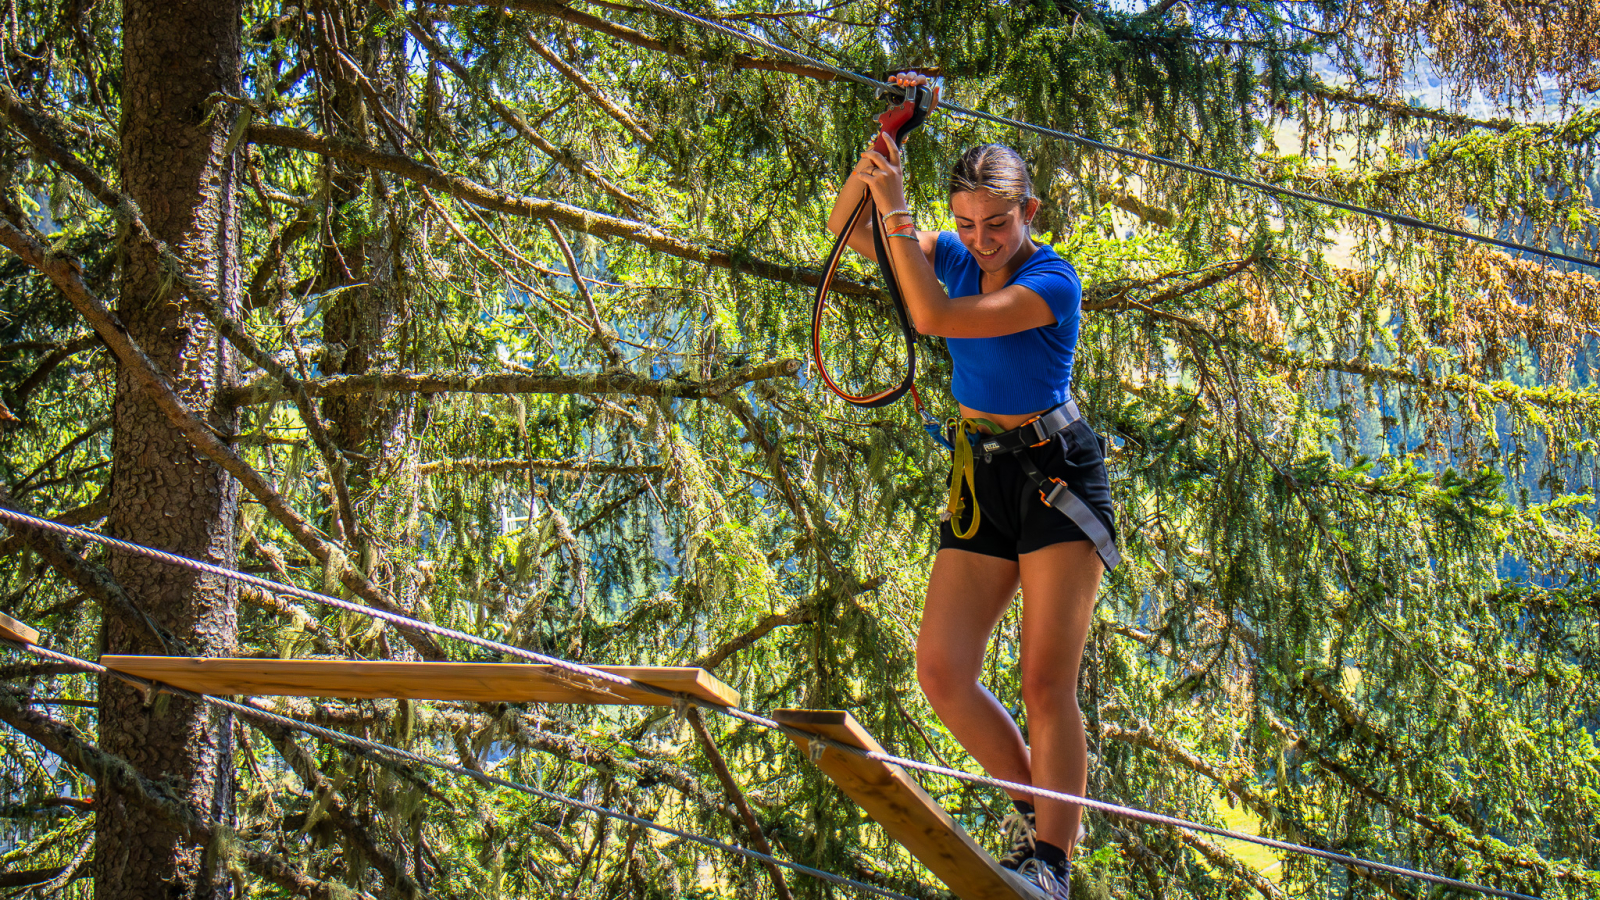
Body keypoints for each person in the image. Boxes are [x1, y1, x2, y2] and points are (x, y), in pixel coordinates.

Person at [824, 74, 1117, 900]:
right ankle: (1038, 813)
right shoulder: (949, 255)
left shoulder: (1053, 283)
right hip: (983, 473)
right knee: (944, 671)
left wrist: (902, 211)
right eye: (964, 225)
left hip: (1056, 473)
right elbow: (849, 230)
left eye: (996, 223)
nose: (979, 241)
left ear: (1031, 214)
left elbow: (932, 319)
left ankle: (1051, 865)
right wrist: (889, 144)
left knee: (1042, 681)